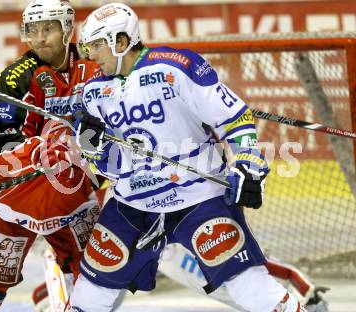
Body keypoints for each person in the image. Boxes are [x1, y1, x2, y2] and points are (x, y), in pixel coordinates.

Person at [70, 3, 315, 312]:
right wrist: (93, 146)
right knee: (87, 298)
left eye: (97, 45)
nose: (91, 55)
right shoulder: (93, 93)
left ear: (121, 41)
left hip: (198, 196)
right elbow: (109, 166)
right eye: (88, 47)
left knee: (250, 288)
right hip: (133, 206)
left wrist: (247, 162)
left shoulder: (176, 66)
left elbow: (235, 118)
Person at [0, 1, 101, 311]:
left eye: (48, 29)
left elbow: (109, 119)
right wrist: (43, 153)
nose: (39, 38)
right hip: (18, 199)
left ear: (67, 29)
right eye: (33, 31)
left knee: (94, 282)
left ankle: (51, 293)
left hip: (72, 199)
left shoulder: (92, 67)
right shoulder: (15, 78)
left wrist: (91, 141)